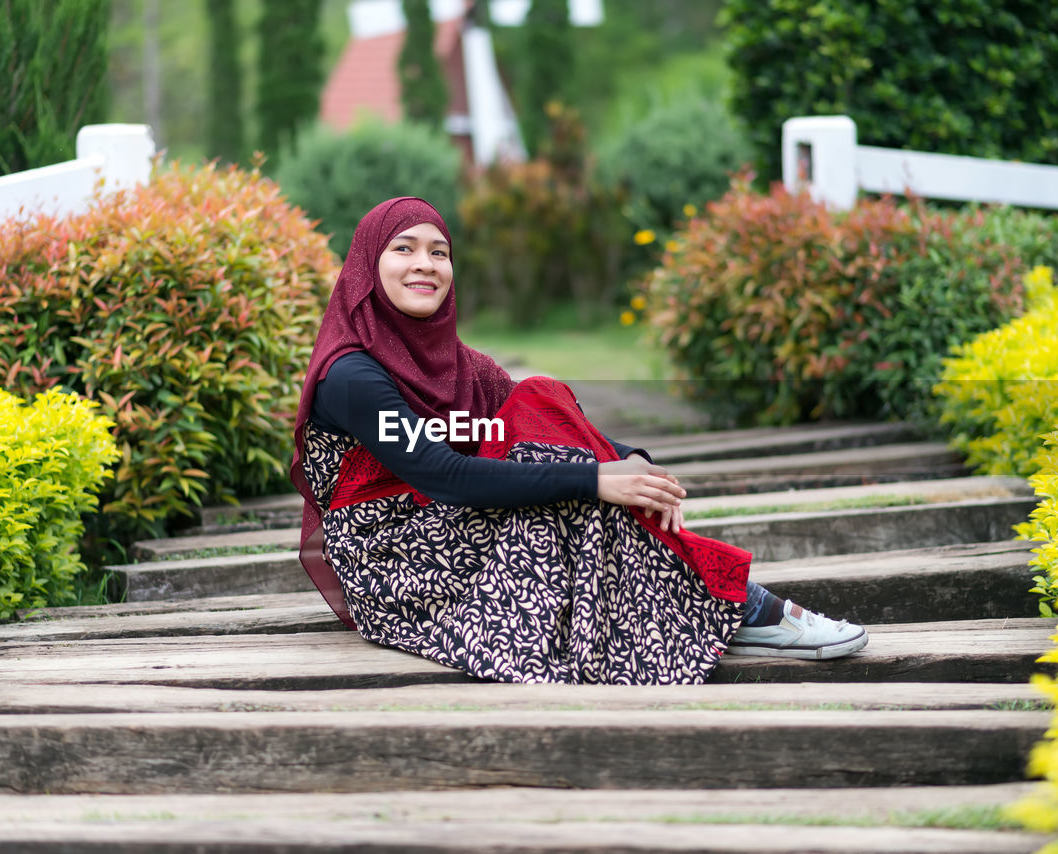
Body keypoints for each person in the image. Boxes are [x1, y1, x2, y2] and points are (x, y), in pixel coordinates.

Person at [290, 197, 867, 685]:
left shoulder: (458, 367)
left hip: (443, 523)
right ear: (368, 266)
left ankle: (714, 608)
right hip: (397, 564)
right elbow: (446, 474)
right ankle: (739, 608)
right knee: (574, 489)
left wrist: (628, 459)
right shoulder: (351, 377)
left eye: (439, 252)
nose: (427, 264)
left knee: (539, 401)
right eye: (404, 249)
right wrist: (597, 478)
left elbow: (530, 417)